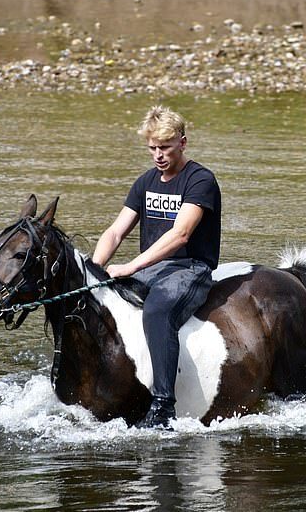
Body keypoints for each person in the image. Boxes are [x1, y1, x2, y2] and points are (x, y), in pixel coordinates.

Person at [92, 105, 221, 429]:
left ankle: (164, 405)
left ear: (183, 142)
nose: (158, 155)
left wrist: (130, 267)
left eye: (165, 147)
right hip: (149, 269)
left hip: (189, 268)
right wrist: (94, 269)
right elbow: (116, 231)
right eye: (152, 148)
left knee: (158, 311)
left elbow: (181, 234)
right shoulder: (146, 181)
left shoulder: (200, 179)